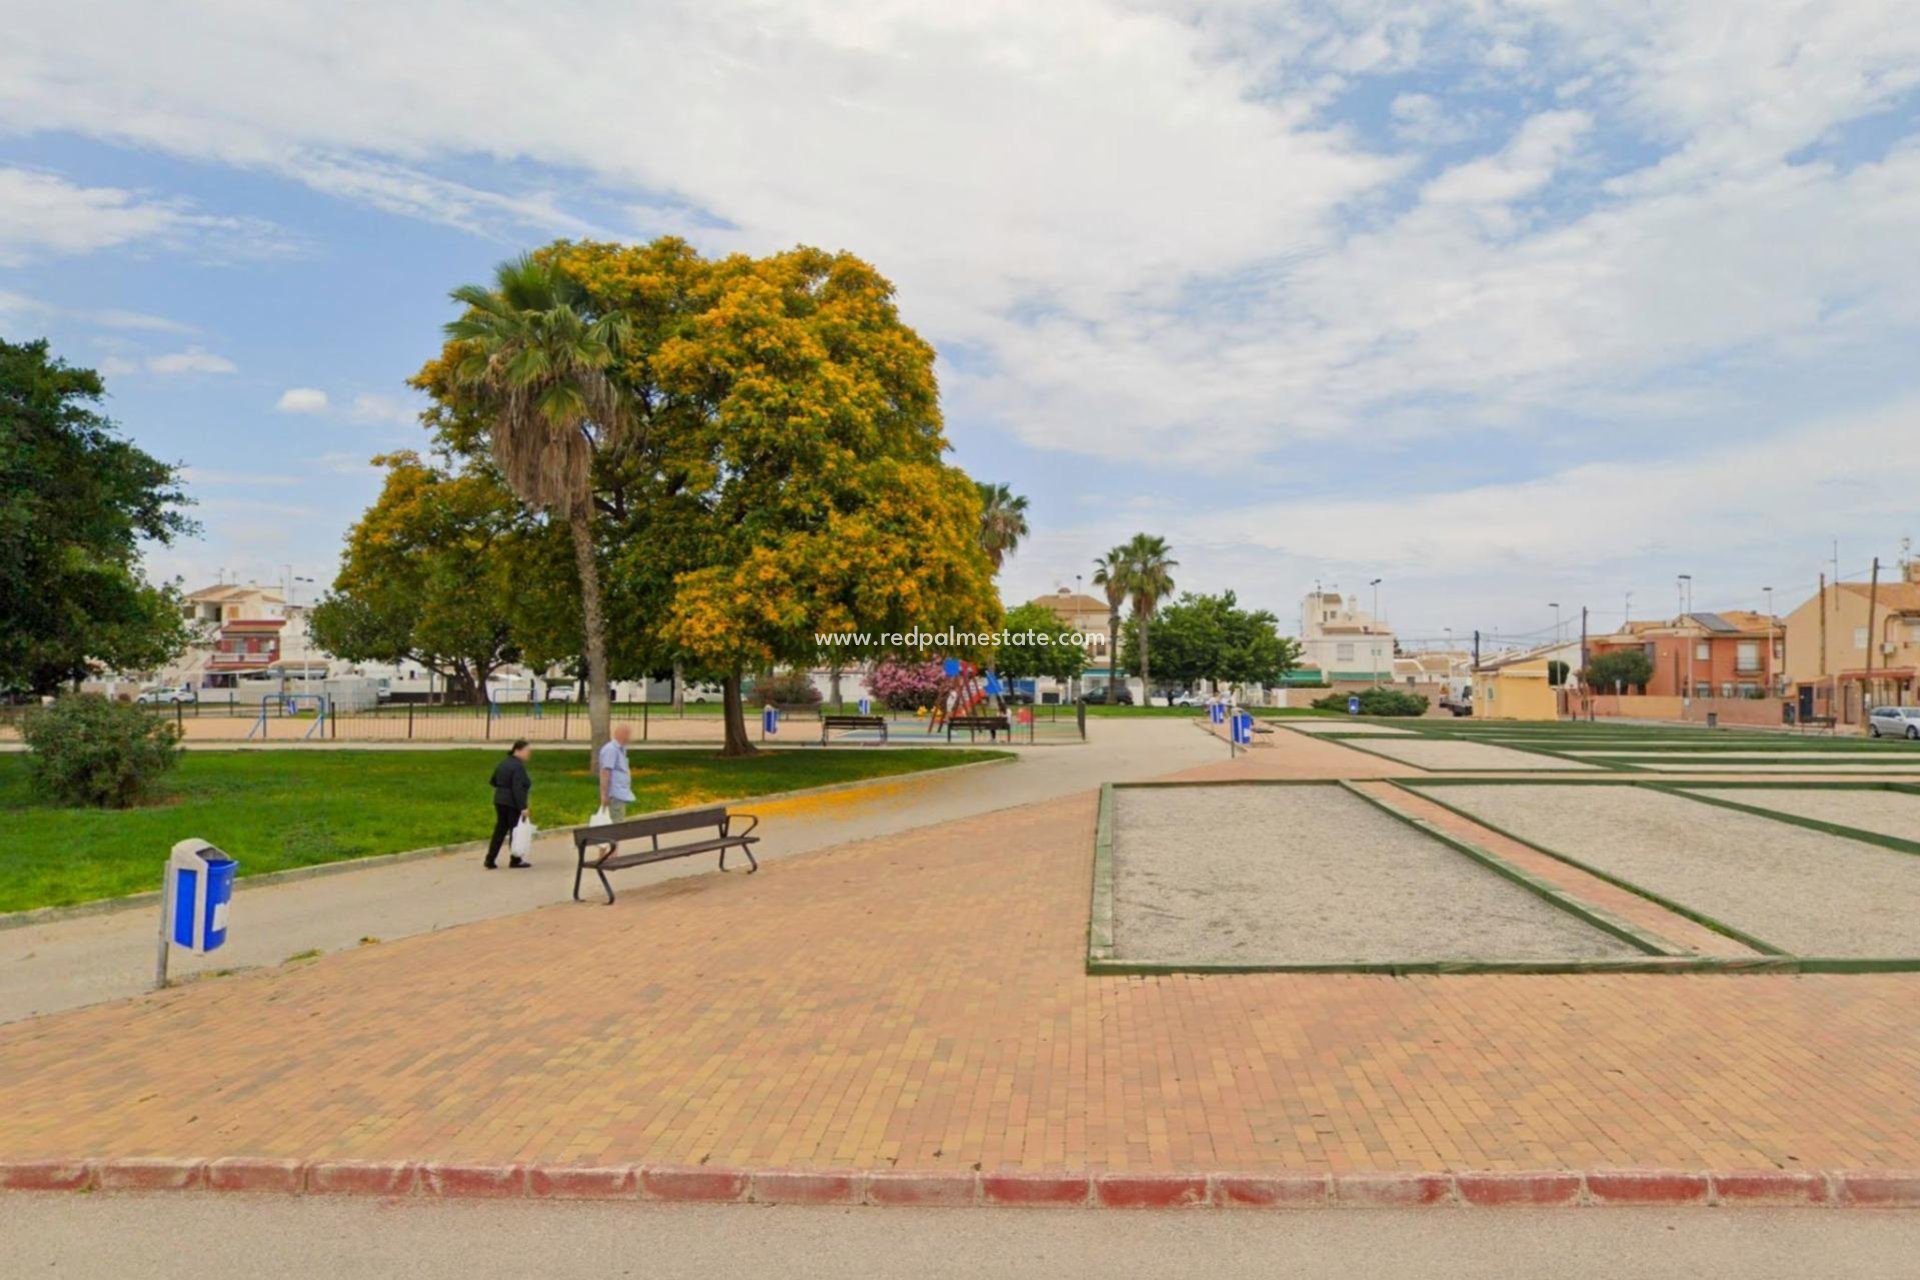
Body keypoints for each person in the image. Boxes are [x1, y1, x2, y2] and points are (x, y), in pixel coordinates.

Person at [485, 739, 534, 870]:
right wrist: (523, 807)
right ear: (518, 750)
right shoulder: (518, 767)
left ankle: (490, 859)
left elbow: (493, 780)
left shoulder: (503, 763)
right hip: (512, 802)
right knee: (515, 830)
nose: (529, 754)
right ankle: (515, 859)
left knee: (500, 830)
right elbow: (517, 788)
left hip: (499, 800)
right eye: (527, 751)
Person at [597, 724, 634, 821]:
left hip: (620, 793)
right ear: (622, 735)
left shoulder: (621, 749)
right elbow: (605, 773)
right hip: (614, 794)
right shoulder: (611, 749)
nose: (629, 738)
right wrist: (604, 795)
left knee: (619, 819)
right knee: (617, 823)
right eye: (628, 735)